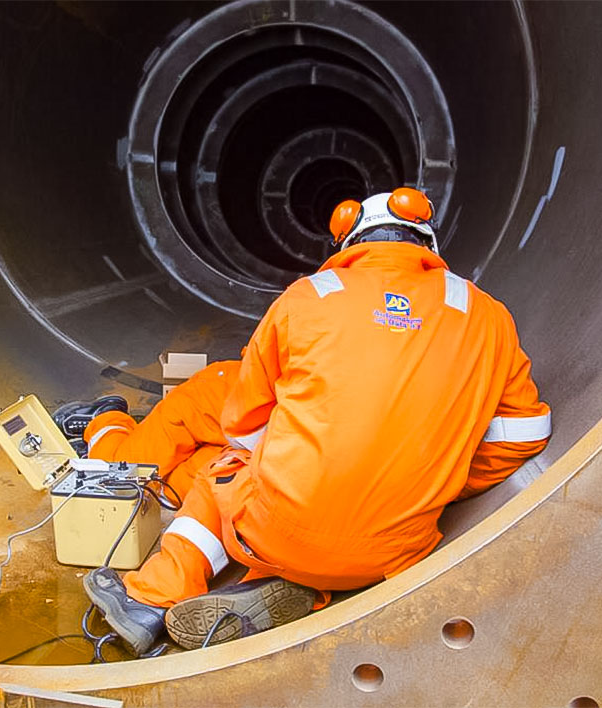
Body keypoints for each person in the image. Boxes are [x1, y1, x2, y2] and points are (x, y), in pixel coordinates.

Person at [81, 187, 552, 656]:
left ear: (349, 245)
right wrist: (441, 480)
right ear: (428, 244)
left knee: (221, 471)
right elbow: (525, 433)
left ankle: (150, 596)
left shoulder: (308, 297)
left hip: (283, 532)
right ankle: (303, 586)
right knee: (267, 485)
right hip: (396, 555)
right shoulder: (487, 315)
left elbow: (244, 429)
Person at [53, 360, 241, 499]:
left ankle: (101, 450)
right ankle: (105, 422)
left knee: (172, 488)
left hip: (241, 419)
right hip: (225, 403)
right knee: (121, 476)